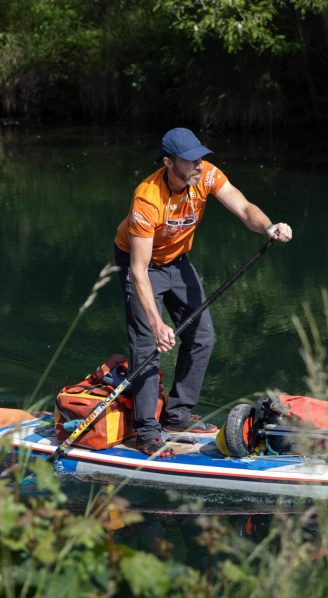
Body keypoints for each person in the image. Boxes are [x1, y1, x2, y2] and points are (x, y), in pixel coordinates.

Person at [113, 127, 292, 455]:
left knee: (202, 335)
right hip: (142, 265)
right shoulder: (147, 198)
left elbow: (244, 208)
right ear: (168, 162)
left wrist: (268, 226)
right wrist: (157, 324)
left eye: (200, 157)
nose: (198, 164)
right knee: (148, 343)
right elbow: (138, 270)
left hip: (178, 261)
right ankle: (146, 430)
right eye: (189, 160)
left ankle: (177, 414)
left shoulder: (206, 175)